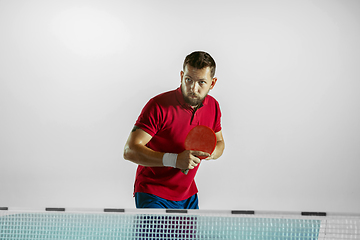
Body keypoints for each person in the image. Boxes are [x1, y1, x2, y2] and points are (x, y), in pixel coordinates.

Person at [123, 51, 225, 209]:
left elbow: (219, 142)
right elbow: (130, 150)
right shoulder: (158, 106)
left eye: (201, 82)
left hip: (188, 195)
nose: (193, 88)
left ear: (212, 83)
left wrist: (209, 153)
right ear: (181, 76)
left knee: (187, 236)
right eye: (188, 79)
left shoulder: (214, 107)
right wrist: (175, 160)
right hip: (153, 193)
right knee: (156, 235)